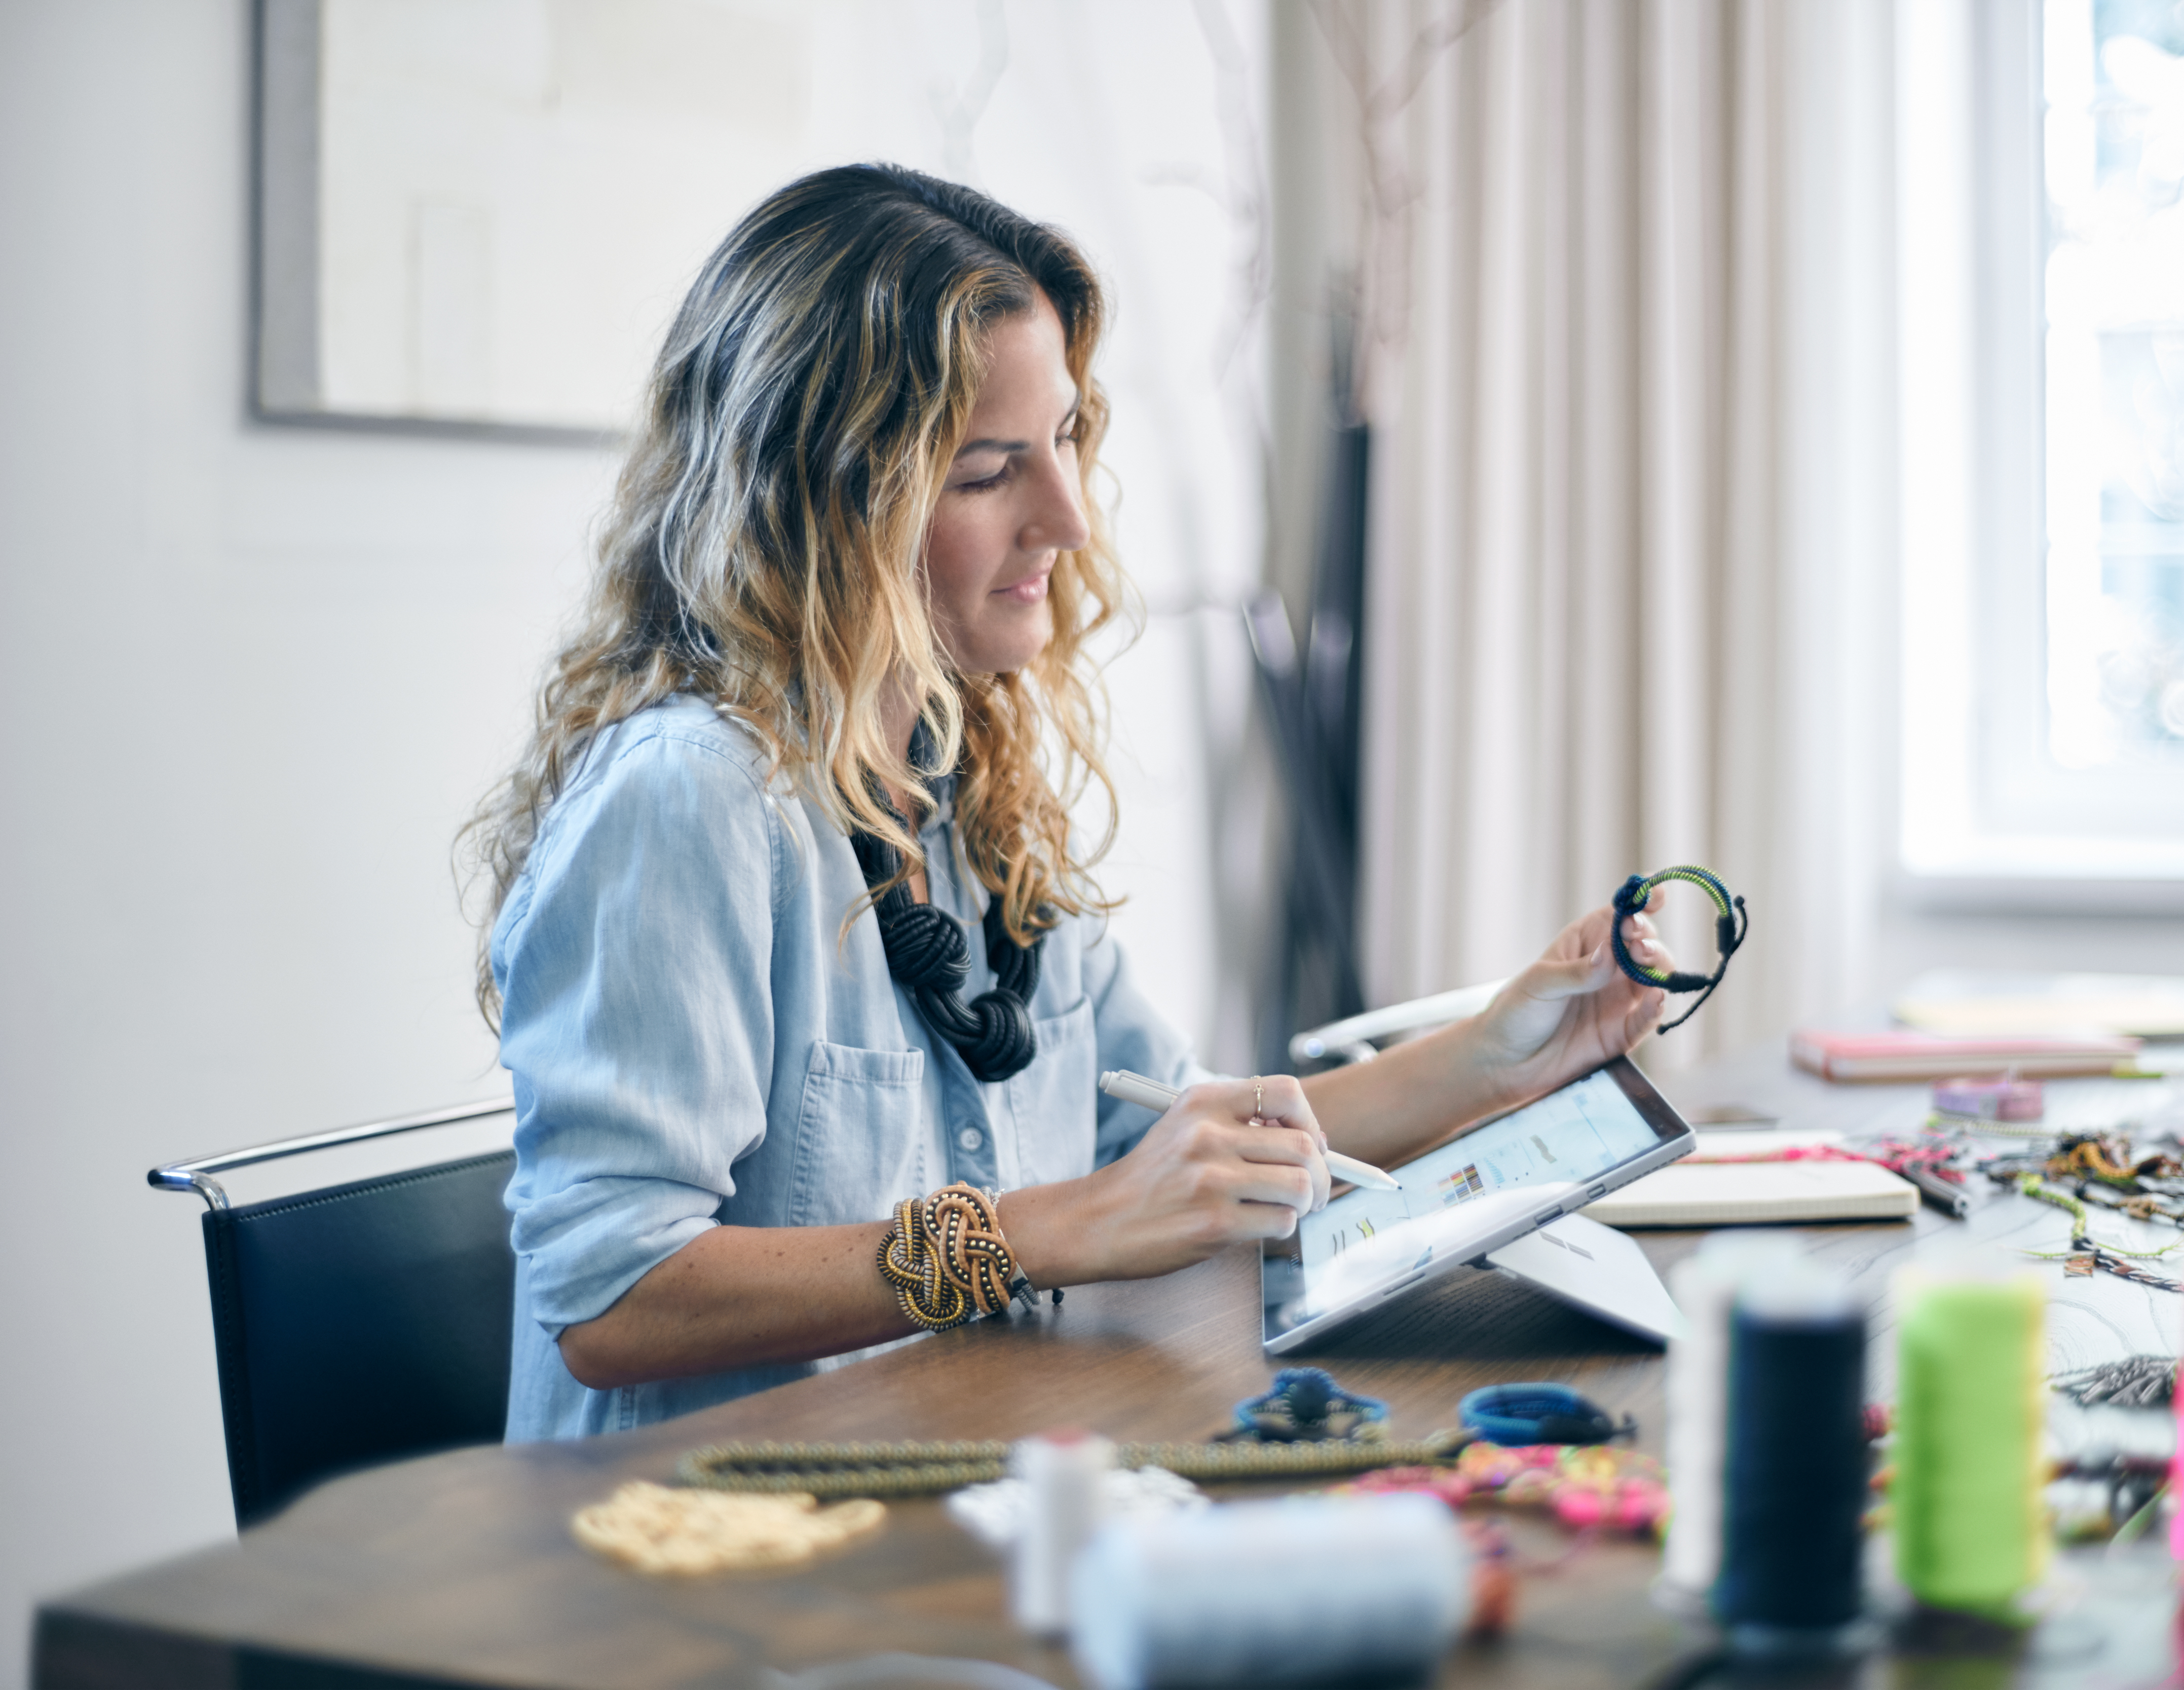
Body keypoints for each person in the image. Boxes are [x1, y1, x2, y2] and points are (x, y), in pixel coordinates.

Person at [463, 164, 1678, 1442]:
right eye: (991, 470)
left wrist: (1506, 1050)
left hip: (950, 1497)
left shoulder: (955, 782)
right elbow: (614, 1299)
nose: (1072, 518)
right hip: (700, 1566)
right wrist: (1060, 1231)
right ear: (828, 503)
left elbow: (1189, 1136)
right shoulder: (692, 800)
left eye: (1066, 443)